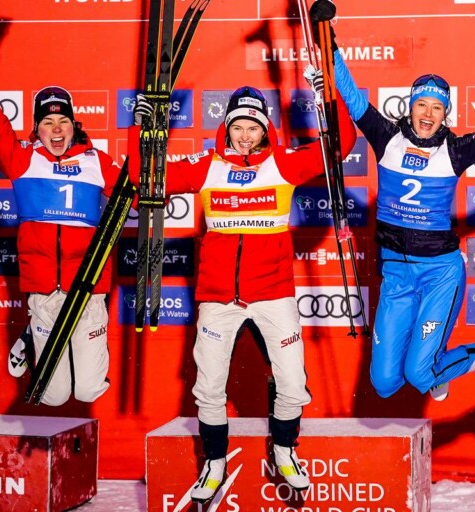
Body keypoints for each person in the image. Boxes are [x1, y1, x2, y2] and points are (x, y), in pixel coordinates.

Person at [308, 0, 475, 401]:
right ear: (410, 108)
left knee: (418, 374)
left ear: (446, 113)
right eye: (421, 104)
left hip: (439, 273)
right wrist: (329, 37)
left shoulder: (457, 150)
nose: (428, 113)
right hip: (395, 273)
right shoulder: (385, 136)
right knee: (384, 384)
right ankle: (436, 369)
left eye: (437, 107)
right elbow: (348, 90)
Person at [128, 84, 356, 502]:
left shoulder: (284, 163)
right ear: (227, 127)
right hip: (218, 297)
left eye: (253, 127)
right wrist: (142, 130)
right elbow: (144, 178)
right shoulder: (207, 165)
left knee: (292, 384)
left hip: (273, 292)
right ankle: (214, 462)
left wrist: (332, 96)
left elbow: (339, 146)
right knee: (209, 388)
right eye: (238, 126)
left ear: (265, 129)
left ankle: (285, 449)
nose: (245, 135)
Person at [0, 20, 122, 406]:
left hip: (88, 289)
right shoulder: (23, 160)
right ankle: (33, 332)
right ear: (37, 128)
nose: (57, 129)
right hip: (44, 291)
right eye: (48, 122)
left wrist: (150, 131)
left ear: (74, 125)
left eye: (63, 121)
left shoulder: (97, 161)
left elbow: (141, 189)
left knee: (90, 390)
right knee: (54, 396)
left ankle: (39, 337)